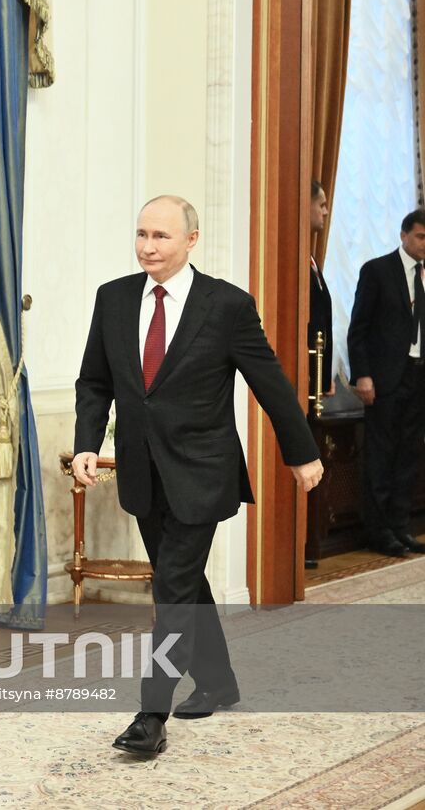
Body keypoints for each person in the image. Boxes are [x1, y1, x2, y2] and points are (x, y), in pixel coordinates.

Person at [72, 195, 322, 758]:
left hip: (204, 471)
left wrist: (300, 452)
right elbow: (95, 381)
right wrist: (87, 442)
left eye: (160, 236)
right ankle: (218, 679)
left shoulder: (227, 305)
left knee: (174, 587)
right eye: (141, 234)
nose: (147, 246)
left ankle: (150, 714)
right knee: (183, 579)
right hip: (143, 472)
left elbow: (270, 382)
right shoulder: (112, 299)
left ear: (192, 240)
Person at [346, 207, 425, 558]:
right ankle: (378, 532)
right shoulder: (377, 270)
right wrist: (362, 374)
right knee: (381, 455)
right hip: (385, 378)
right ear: (404, 235)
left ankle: (399, 526)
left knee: (409, 455)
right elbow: (358, 328)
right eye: (421, 237)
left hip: (419, 376)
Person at [305, 181, 333, 570]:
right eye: (321, 204)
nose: (325, 212)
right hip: (302, 383)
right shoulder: (297, 261)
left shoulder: (313, 261)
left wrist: (326, 374)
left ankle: (309, 546)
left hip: (317, 380)